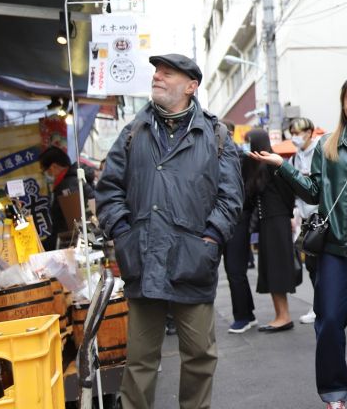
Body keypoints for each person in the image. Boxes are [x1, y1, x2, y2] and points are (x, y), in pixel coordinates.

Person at [95, 53, 243, 409]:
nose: (157, 77)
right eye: (156, 72)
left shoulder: (216, 134)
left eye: (167, 73)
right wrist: (123, 233)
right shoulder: (134, 131)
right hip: (143, 259)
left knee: (199, 356)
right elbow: (108, 188)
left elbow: (231, 198)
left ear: (191, 86)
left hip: (193, 259)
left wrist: (210, 240)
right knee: (141, 360)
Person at [250, 75, 347, 409]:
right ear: (342, 103)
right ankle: (334, 391)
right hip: (335, 238)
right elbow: (314, 192)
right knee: (329, 317)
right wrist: (281, 167)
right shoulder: (327, 144)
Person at [243, 127, 297, 332]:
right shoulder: (259, 166)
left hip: (277, 221)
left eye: (250, 143)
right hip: (269, 222)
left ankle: (284, 316)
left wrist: (287, 215)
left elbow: (288, 192)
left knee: (277, 268)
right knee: (270, 268)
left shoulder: (273, 164)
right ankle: (280, 315)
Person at [222, 120, 257, 334]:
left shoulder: (241, 157)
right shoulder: (214, 156)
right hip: (225, 218)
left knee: (235, 270)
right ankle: (247, 313)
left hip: (238, 218)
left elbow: (249, 192)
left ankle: (242, 316)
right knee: (233, 271)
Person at [289, 117, 319, 324]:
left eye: (298, 133)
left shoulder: (320, 151)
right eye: (292, 133)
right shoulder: (294, 158)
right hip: (305, 218)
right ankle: (323, 305)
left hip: (322, 216)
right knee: (312, 264)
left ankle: (323, 306)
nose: (295, 137)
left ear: (309, 132)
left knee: (323, 265)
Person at [39, 145, 95, 250]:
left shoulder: (67, 186)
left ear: (53, 167)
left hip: (78, 245)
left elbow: (74, 224)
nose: (45, 175)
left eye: (44, 171)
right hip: (81, 241)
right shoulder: (73, 180)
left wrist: (45, 246)